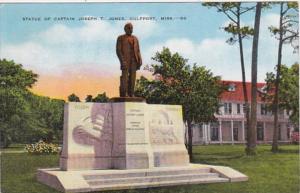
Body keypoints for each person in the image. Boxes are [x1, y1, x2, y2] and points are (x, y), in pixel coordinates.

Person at [116, 23, 142, 97]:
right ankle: (125, 93)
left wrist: (140, 59)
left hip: (134, 60)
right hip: (125, 60)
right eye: (129, 28)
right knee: (125, 77)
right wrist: (122, 60)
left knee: (133, 77)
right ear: (125, 29)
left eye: (132, 28)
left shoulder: (135, 38)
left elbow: (138, 50)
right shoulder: (120, 38)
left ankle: (131, 93)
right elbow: (118, 50)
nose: (131, 30)